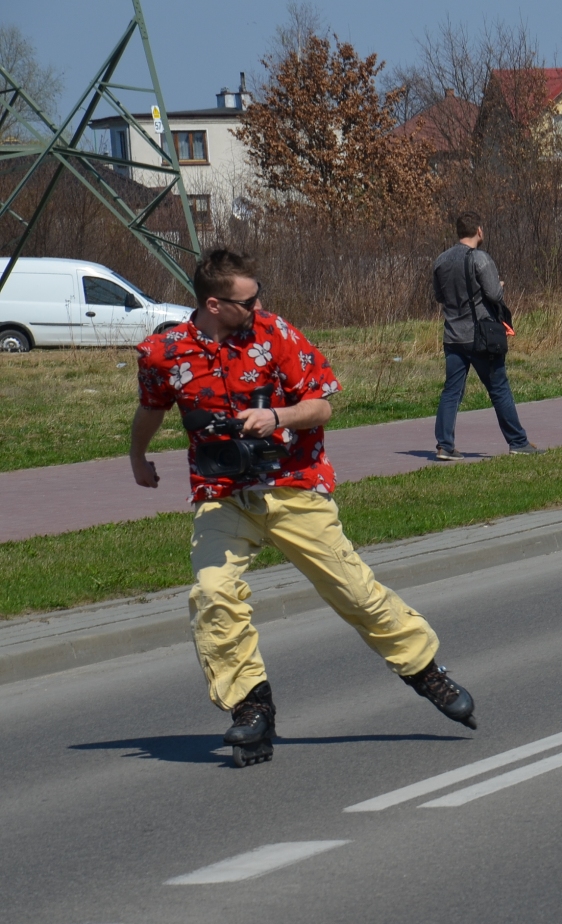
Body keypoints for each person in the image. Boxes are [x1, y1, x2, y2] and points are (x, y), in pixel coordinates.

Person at [130, 248, 477, 766]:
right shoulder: (165, 352)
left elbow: (323, 404)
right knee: (212, 593)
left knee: (354, 590)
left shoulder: (275, 335)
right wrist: (138, 456)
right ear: (214, 303)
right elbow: (151, 407)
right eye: (249, 300)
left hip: (292, 484)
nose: (260, 305)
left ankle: (424, 670)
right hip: (221, 492)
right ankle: (251, 709)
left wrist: (278, 417)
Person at [430, 212, 539, 461]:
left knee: (451, 391)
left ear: (459, 232)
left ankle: (444, 445)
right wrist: (498, 287)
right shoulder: (480, 259)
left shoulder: (441, 260)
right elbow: (494, 295)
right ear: (479, 230)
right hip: (480, 336)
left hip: (452, 336)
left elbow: (439, 296)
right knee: (499, 388)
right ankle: (518, 441)